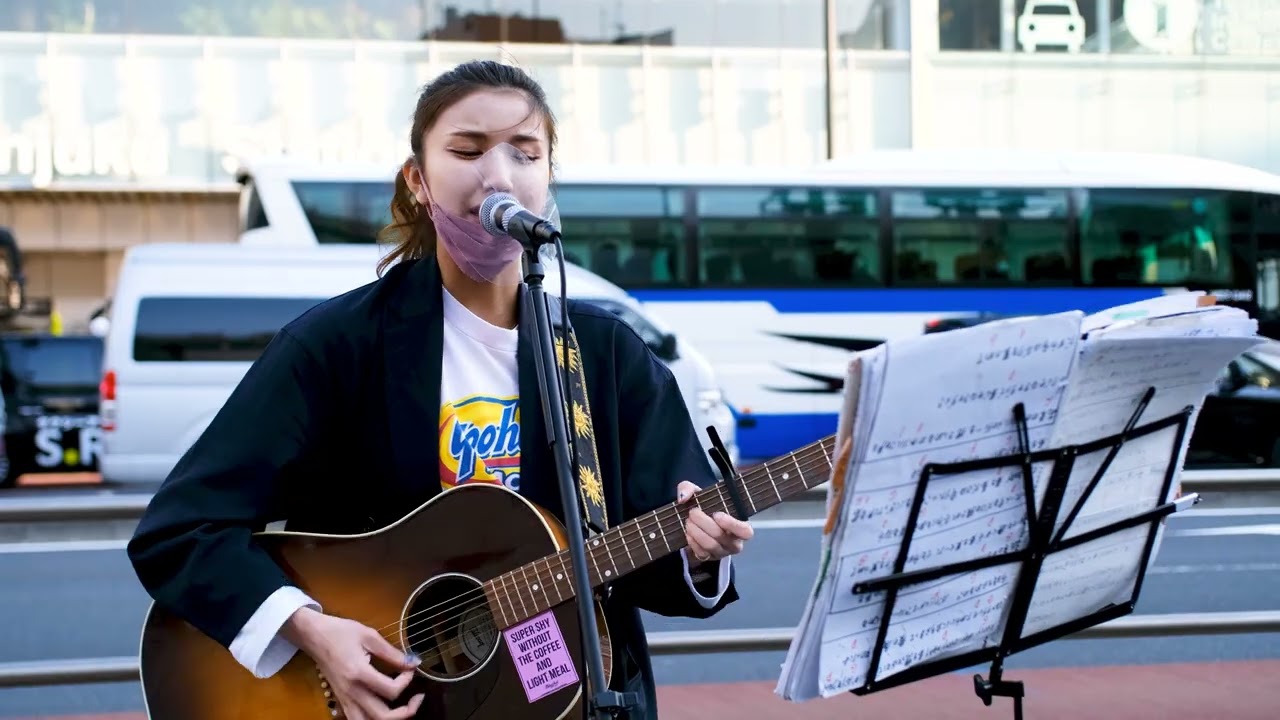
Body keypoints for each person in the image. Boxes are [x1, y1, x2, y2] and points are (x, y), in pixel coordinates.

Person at [126, 59, 753, 720]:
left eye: (525, 152)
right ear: (418, 181)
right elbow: (182, 529)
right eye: (468, 150)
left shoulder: (607, 356)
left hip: (567, 693)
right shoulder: (338, 347)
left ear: (548, 179)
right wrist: (308, 628)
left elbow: (650, 560)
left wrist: (699, 553)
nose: (499, 174)